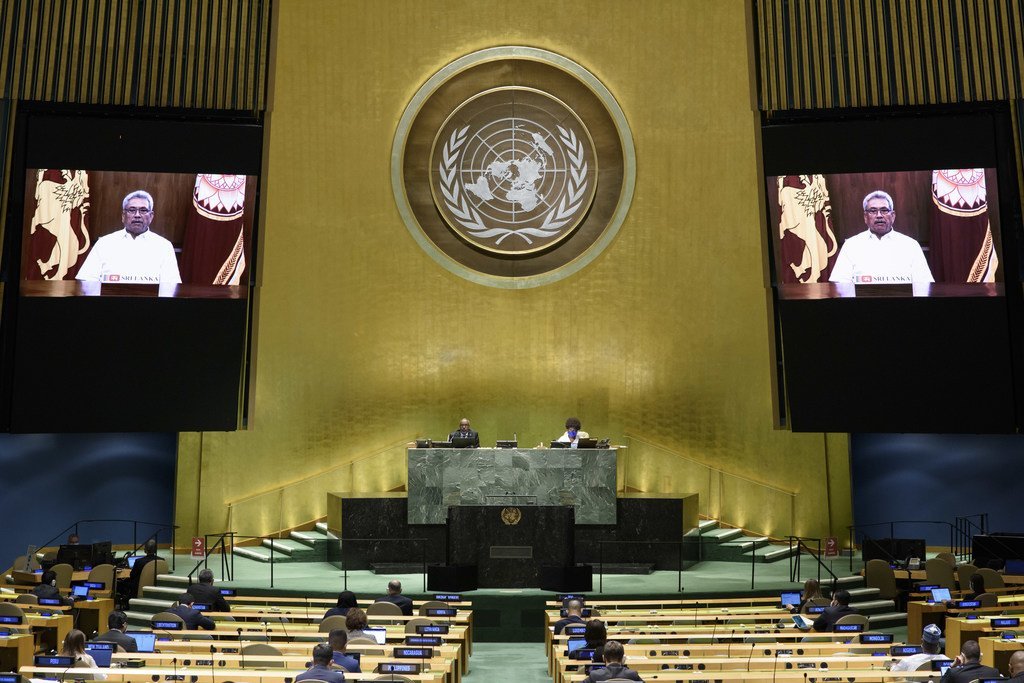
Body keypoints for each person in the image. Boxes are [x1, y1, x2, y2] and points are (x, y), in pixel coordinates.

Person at [76, 190, 182, 284]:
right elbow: (87, 280)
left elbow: (171, 285)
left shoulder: (164, 246)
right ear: (123, 216)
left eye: (143, 210)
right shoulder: (104, 243)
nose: (137, 215)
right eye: (132, 210)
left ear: (151, 216)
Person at [828, 190, 934, 284]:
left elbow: (924, 284)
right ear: (866, 217)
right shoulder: (851, 245)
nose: (879, 215)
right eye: (873, 211)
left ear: (893, 216)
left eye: (884, 210)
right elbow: (840, 284)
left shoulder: (911, 245)